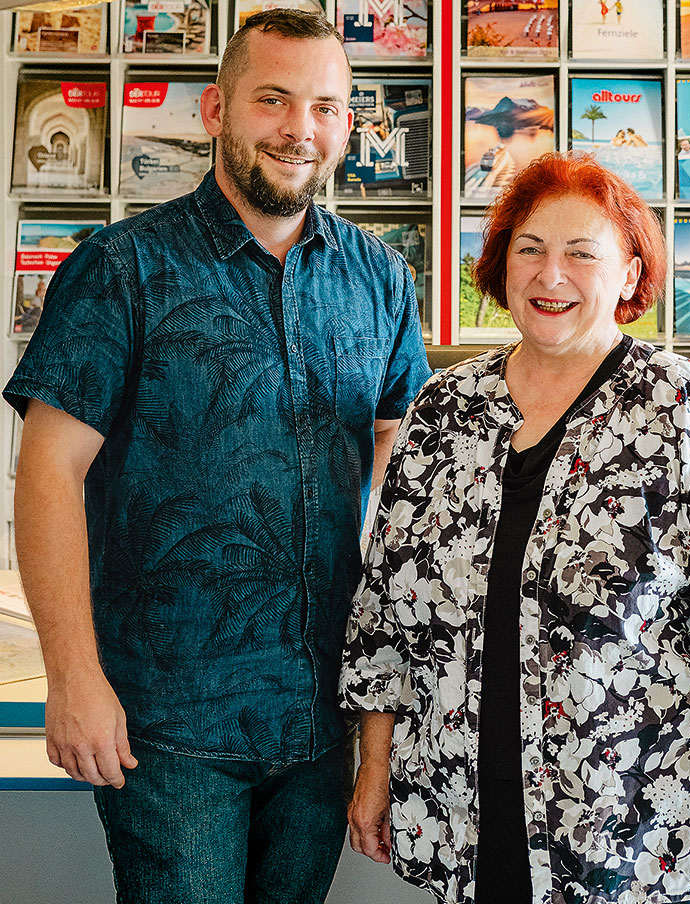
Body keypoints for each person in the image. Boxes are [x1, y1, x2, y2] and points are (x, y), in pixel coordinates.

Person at [5, 9, 430, 904]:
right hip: (167, 724)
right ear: (215, 110)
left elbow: (404, 475)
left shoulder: (380, 278)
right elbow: (48, 468)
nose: (298, 129)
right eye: (273, 100)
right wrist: (72, 675)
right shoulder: (124, 269)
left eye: (324, 107)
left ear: (350, 123)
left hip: (322, 717)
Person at [340, 152, 690, 904]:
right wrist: (375, 770)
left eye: (583, 255)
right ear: (501, 266)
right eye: (530, 250)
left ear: (628, 274)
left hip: (628, 821)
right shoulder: (444, 410)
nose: (551, 277)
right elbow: (388, 608)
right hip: (465, 811)